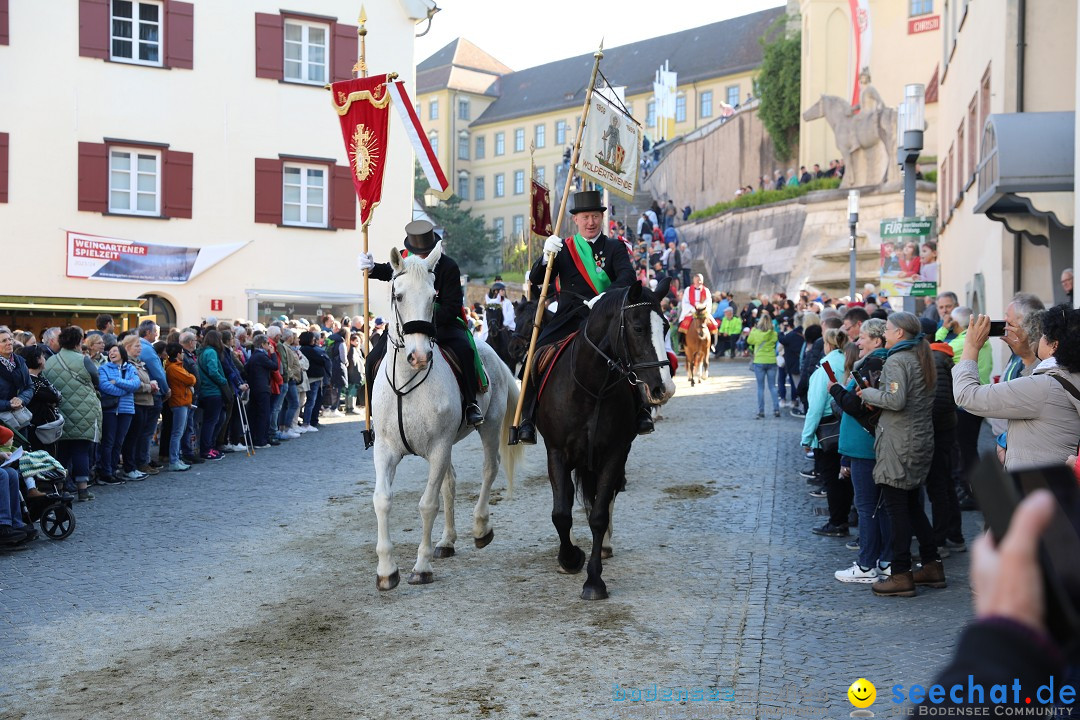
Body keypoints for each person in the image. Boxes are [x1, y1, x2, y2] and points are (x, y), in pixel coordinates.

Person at [515, 191, 637, 444]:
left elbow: (628, 278)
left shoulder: (615, 247)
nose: (590, 222)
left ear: (601, 218)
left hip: (605, 318)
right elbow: (538, 279)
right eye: (585, 217)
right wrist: (545, 256)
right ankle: (527, 418)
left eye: (594, 216)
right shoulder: (564, 248)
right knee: (535, 355)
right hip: (568, 318)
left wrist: (605, 298)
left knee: (633, 352)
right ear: (576, 220)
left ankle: (641, 409)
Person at [359, 220, 485, 428]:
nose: (422, 256)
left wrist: (427, 319)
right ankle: (374, 410)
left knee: (465, 351)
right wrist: (371, 268)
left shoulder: (448, 265)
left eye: (426, 252)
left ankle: (471, 403)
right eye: (419, 252)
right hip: (406, 325)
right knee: (372, 358)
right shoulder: (404, 259)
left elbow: (453, 305)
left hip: (442, 323)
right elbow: (388, 271)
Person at [856, 311, 941, 597]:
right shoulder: (922, 357)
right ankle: (932, 564)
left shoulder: (897, 360)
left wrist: (866, 394)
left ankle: (901, 573)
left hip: (899, 443)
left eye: (889, 329)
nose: (886, 333)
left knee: (897, 508)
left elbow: (895, 399)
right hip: (918, 440)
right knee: (913, 506)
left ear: (899, 334)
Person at [953, 309, 1080, 470]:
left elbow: (967, 396)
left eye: (1043, 335)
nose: (1040, 338)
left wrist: (971, 347)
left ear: (1054, 346)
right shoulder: (1071, 376)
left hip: (1037, 485)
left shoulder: (1044, 388)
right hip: (1057, 481)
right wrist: (1027, 355)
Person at [829, 319, 892, 580]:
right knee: (881, 507)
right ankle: (886, 560)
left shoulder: (874, 363)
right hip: (869, 444)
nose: (858, 342)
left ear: (877, 340)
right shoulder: (880, 362)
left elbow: (859, 406)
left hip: (866, 446)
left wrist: (835, 390)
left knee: (866, 506)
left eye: (863, 337)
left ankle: (866, 565)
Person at [44, 326, 103, 502]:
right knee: (80, 451)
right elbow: (96, 379)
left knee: (62, 452)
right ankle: (83, 490)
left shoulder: (50, 362)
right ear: (78, 342)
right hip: (84, 411)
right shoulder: (83, 360)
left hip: (59, 411)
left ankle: (61, 488)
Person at [802, 328, 850, 536]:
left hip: (828, 431)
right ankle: (844, 518)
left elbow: (816, 407)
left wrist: (806, 437)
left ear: (827, 346)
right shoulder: (847, 362)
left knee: (832, 480)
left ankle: (837, 522)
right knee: (845, 479)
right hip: (845, 426)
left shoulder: (825, 369)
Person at [97, 344, 141, 482]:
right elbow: (104, 386)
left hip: (127, 410)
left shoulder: (131, 368)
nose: (111, 353)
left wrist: (118, 381)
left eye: (115, 351)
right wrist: (125, 389)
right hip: (110, 410)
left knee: (119, 442)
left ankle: (113, 469)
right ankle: (106, 472)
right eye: (110, 351)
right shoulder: (103, 368)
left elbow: (136, 385)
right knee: (108, 441)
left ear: (122, 353)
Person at [18, 345, 62, 453]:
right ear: (38, 359)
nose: (45, 359)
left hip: (43, 427)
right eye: (43, 356)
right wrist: (55, 396)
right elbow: (54, 396)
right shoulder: (31, 380)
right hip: (37, 428)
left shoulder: (39, 378)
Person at [196, 330, 229, 461]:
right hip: (212, 391)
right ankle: (206, 449)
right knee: (211, 421)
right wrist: (223, 381)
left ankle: (209, 446)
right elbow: (213, 371)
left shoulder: (204, 352)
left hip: (208, 390)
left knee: (218, 419)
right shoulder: (211, 352)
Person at [164, 342, 195, 471]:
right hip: (179, 402)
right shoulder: (174, 368)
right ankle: (174, 460)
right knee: (177, 432)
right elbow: (191, 379)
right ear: (177, 354)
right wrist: (190, 379)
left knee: (179, 432)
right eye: (181, 352)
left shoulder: (175, 366)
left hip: (182, 401)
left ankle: (176, 458)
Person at [245, 335, 279, 449]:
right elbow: (274, 366)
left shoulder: (254, 355)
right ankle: (260, 440)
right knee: (263, 414)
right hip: (262, 388)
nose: (269, 346)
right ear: (263, 344)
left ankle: (255, 439)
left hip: (255, 387)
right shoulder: (261, 356)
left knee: (256, 413)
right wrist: (273, 353)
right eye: (267, 344)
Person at [747, 312, 780, 419]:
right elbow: (775, 342)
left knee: (760, 388)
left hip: (759, 361)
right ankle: (776, 409)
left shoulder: (756, 332)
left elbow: (749, 341)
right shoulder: (774, 334)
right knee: (772, 387)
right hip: (771, 361)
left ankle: (761, 411)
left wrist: (753, 330)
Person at [297, 331, 331, 431]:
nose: (314, 340)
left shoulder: (304, 349)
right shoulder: (309, 349)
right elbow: (321, 360)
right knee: (311, 401)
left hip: (312, 378)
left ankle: (307, 421)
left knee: (308, 401)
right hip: (313, 378)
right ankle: (307, 422)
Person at [0, 328, 33, 427]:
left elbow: (30, 386)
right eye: (4, 341)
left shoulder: (20, 361)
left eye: (10, 339)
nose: (9, 343)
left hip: (20, 419)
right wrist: (8, 404)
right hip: (2, 423)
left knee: (23, 442)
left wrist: (21, 399)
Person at [677, 274, 718, 349]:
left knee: (713, 324)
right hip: (690, 311)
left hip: (702, 312)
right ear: (694, 281)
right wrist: (693, 309)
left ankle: (712, 344)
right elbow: (685, 302)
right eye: (697, 280)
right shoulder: (688, 290)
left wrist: (701, 309)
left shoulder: (706, 290)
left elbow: (708, 302)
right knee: (682, 324)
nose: (699, 282)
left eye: (700, 280)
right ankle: (682, 343)